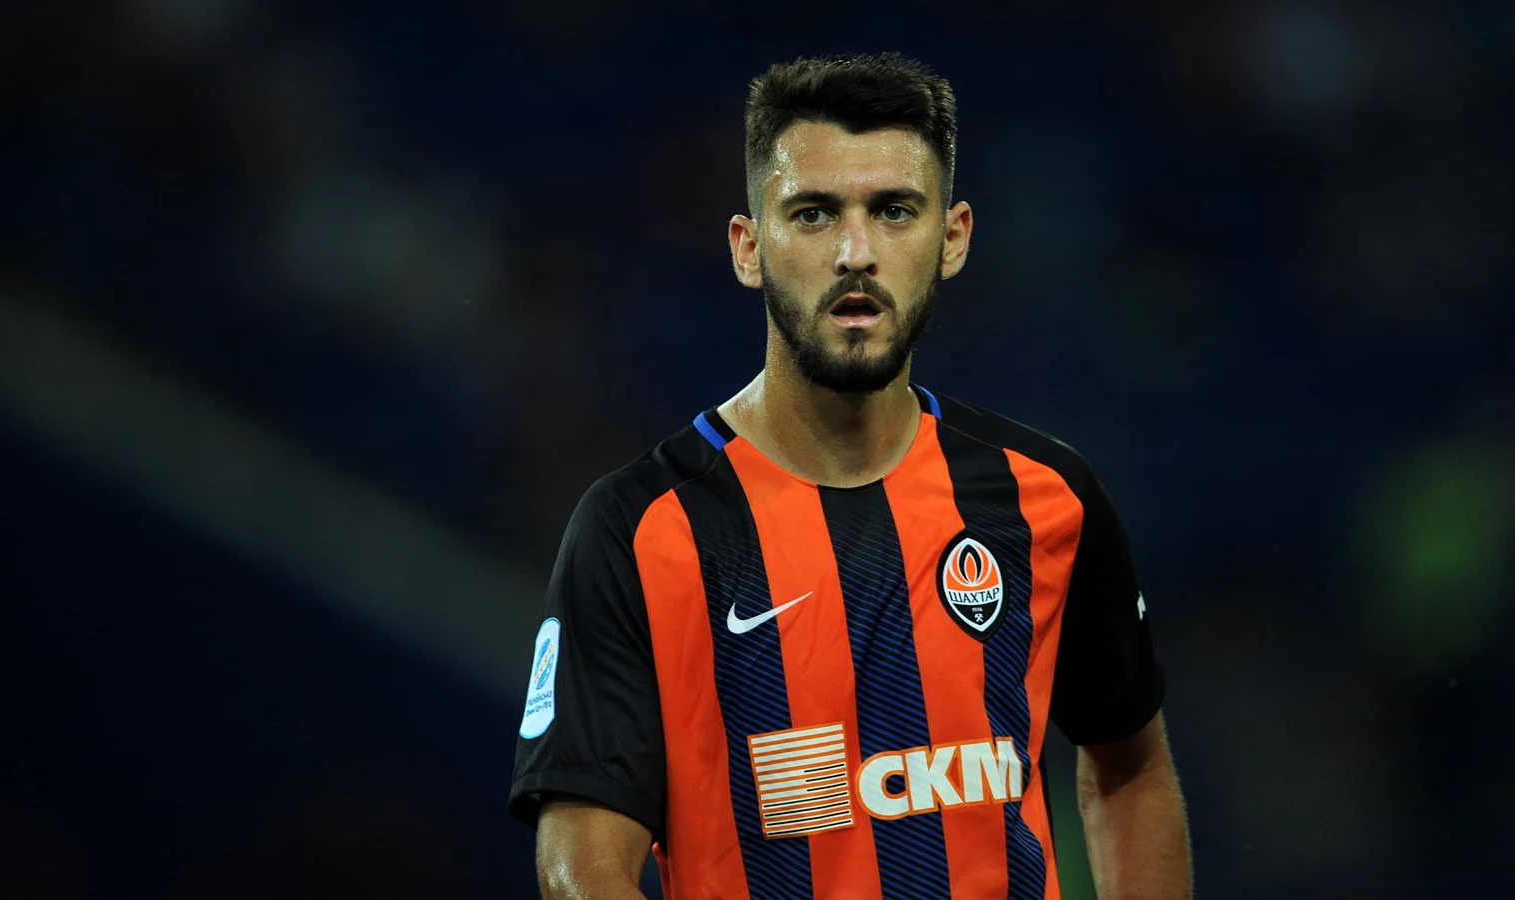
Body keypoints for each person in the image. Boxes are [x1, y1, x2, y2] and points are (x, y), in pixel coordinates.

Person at [508, 52, 1192, 899]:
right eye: (814, 214)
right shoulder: (640, 529)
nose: (855, 252)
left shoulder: (1046, 497)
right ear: (749, 248)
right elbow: (583, 866)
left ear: (953, 239)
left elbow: (1130, 771)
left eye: (894, 211)